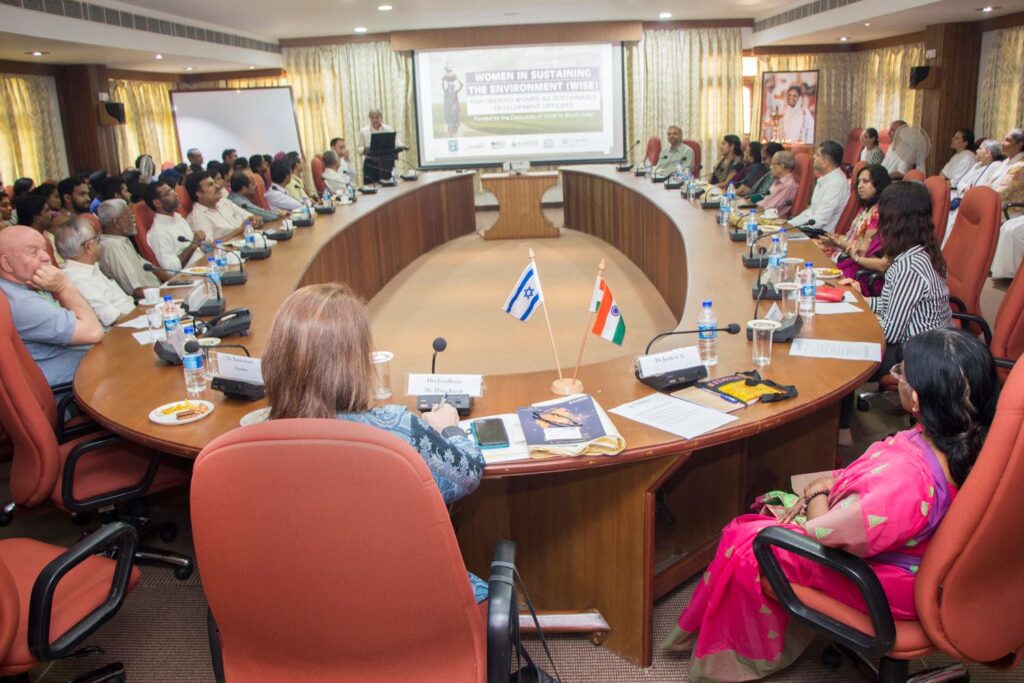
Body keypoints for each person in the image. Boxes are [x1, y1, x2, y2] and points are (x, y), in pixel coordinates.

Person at [664, 325, 997, 683]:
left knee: (746, 539)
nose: (897, 375)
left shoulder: (906, 482)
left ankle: (730, 663)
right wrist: (834, 483)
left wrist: (817, 492)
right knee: (767, 516)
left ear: (916, 400)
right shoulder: (982, 446)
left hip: (889, 586)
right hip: (936, 568)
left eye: (901, 372)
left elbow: (821, 533)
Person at [261, 282, 488, 601]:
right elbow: (469, 472)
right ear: (354, 363)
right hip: (399, 605)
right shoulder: (395, 433)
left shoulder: (247, 444)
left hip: (297, 607)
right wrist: (448, 428)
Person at [835, 181, 952, 442]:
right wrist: (857, 299)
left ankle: (842, 430)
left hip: (916, 353)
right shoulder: (920, 252)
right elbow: (891, 305)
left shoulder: (908, 266)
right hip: (929, 345)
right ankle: (841, 425)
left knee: (841, 353)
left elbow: (890, 330)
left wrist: (851, 317)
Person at [0, 225, 103, 386]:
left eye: (44, 249)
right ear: (6, 263)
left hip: (86, 368)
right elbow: (94, 332)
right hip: (75, 387)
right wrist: (64, 286)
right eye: (33, 252)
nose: (46, 257)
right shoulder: (22, 303)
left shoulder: (26, 283)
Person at [820, 164, 892, 292]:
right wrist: (836, 239)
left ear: (879, 184)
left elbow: (864, 250)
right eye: (858, 182)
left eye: (865, 181)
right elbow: (853, 237)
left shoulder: (878, 212)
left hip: (859, 267)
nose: (859, 186)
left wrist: (839, 242)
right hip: (849, 258)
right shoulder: (865, 209)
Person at [54, 218, 135, 329]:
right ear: (88, 247)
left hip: (133, 316)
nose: (99, 242)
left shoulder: (89, 267)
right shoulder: (77, 279)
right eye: (96, 238)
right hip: (123, 331)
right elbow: (115, 319)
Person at [95, 198, 165, 299]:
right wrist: (168, 293)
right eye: (129, 217)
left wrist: (174, 280)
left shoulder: (121, 239)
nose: (134, 220)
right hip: (150, 300)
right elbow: (137, 291)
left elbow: (149, 267)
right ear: (117, 222)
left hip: (157, 291)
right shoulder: (112, 247)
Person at [789, 140, 849, 233]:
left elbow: (818, 222)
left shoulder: (836, 184)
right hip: (809, 230)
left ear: (825, 162)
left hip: (818, 235)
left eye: (817, 155)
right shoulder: (825, 179)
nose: (813, 157)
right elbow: (810, 213)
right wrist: (789, 225)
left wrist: (792, 230)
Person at [144, 181, 205, 271]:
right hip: (191, 276)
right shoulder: (158, 232)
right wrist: (193, 245)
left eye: (173, 191)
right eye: (169, 193)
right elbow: (171, 270)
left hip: (204, 265)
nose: (176, 194)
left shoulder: (178, 218)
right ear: (157, 203)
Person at [988, 129, 1024, 278]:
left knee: (1010, 229)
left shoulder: (1020, 166)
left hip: (1011, 207)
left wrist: (985, 198)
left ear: (1020, 144)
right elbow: (989, 182)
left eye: (1008, 140)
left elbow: (1004, 191)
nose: (1003, 143)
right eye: (1004, 139)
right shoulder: (1005, 163)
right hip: (995, 201)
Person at [186, 171, 254, 241]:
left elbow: (249, 217)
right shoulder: (197, 218)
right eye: (211, 185)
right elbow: (209, 246)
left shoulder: (224, 202)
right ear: (199, 194)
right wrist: (239, 230)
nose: (217, 186)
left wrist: (256, 220)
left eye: (215, 182)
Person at [358, 108, 403, 184]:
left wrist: (402, 146)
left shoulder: (388, 129)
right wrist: (365, 149)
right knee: (372, 187)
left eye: (377, 117)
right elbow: (359, 148)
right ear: (369, 118)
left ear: (381, 117)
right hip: (371, 164)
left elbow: (396, 142)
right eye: (372, 117)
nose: (375, 120)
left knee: (389, 188)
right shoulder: (364, 131)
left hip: (387, 163)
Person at [750, 150, 800, 219]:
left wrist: (752, 209)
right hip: (761, 215)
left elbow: (771, 208)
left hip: (772, 222)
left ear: (781, 166)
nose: (770, 167)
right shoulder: (778, 181)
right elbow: (766, 200)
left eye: (773, 164)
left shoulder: (788, 185)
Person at [15, 194, 59, 264]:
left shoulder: (45, 234)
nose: (51, 213)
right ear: (37, 218)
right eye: (47, 210)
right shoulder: (41, 241)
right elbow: (54, 270)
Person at [441, 64, 464, 137]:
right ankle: (453, 132)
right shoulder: (454, 92)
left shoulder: (447, 92)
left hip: (451, 112)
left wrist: (444, 80)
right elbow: (461, 85)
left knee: (451, 121)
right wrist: (457, 79)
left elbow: (442, 85)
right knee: (453, 120)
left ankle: (452, 132)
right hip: (453, 112)